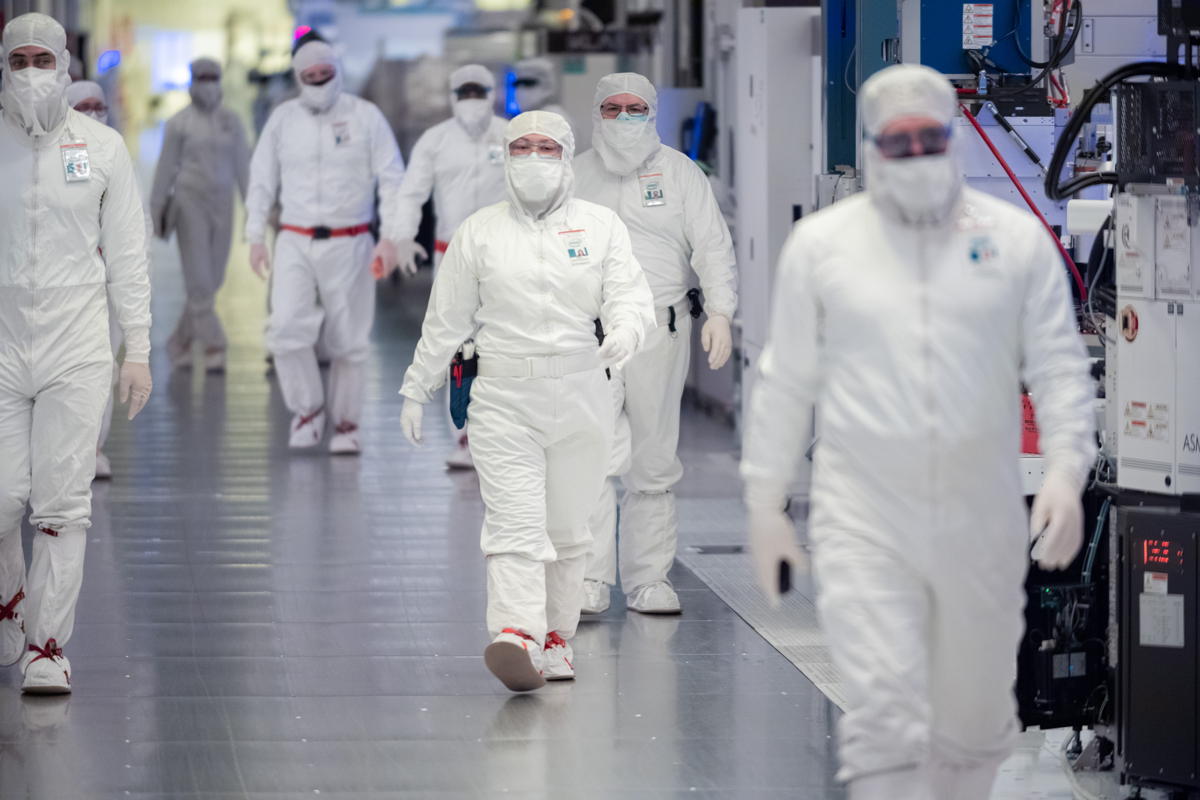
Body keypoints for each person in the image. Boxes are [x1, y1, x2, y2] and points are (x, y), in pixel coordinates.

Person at [741, 64, 1096, 799]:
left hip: (980, 518)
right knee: (888, 719)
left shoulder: (1014, 243)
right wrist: (765, 501)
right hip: (864, 516)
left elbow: (1060, 369)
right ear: (870, 149)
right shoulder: (825, 246)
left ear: (953, 140)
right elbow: (786, 378)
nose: (914, 154)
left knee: (973, 725)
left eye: (928, 138)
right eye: (896, 143)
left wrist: (1065, 471)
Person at [398, 111, 654, 692]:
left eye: (545, 148)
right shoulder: (478, 232)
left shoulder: (601, 226)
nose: (533, 158)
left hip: (585, 390)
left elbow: (629, 295)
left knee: (567, 530)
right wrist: (418, 386)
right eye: (522, 147)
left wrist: (627, 331)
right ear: (506, 157)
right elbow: (446, 320)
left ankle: (556, 637)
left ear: (566, 157)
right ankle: (516, 633)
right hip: (504, 397)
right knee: (514, 522)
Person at [0, 12, 153, 694]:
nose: (31, 72)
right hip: (2, 343)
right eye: (19, 59)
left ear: (65, 63)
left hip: (77, 344)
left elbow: (128, 258)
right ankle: (10, 603)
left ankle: (46, 646)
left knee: (62, 505)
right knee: (3, 498)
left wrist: (138, 351)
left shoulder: (102, 149)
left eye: (43, 59)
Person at [574, 73, 736, 615]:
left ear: (654, 112)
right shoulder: (573, 176)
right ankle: (589, 579)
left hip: (659, 330)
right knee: (591, 454)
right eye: (613, 108)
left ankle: (648, 579)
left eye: (635, 108)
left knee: (652, 457)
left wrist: (720, 311)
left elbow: (712, 245)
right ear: (596, 113)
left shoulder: (680, 172)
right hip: (588, 337)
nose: (624, 118)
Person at [246, 39, 404, 455]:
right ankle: (307, 410)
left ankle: (348, 424)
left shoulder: (366, 117)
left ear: (338, 71)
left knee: (349, 339)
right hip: (294, 240)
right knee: (284, 329)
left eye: (325, 76)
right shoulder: (283, 119)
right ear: (298, 78)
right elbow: (261, 179)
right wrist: (253, 237)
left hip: (351, 240)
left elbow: (393, 179)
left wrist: (392, 237)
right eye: (309, 78)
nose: (318, 84)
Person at [386, 64, 508, 470]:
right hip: (451, 256)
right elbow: (411, 193)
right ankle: (464, 435)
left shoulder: (511, 136)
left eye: (480, 91)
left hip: (505, 258)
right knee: (456, 345)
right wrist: (401, 236)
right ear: (454, 96)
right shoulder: (435, 141)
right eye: (465, 91)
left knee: (503, 344)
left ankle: (501, 434)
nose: (472, 99)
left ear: (492, 93)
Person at [150, 57, 250, 373]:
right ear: (192, 81)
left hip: (223, 204)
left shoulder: (232, 122)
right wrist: (155, 210)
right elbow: (165, 169)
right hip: (189, 203)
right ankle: (214, 345)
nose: (207, 84)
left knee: (213, 280)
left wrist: (255, 211)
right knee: (199, 279)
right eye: (201, 78)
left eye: (212, 77)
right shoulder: (178, 123)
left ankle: (179, 342)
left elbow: (244, 168)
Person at [513, 58, 571, 124]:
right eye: (517, 84)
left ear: (546, 86)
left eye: (528, 83)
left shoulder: (552, 117)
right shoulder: (533, 116)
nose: (520, 90)